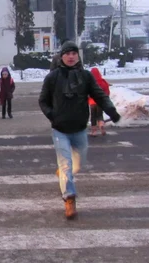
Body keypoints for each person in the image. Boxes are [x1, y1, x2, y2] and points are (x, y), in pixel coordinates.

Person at [38, 41, 121, 220]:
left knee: (77, 163)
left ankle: (63, 174)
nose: (70, 56)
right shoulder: (52, 77)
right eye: (67, 53)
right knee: (66, 165)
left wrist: (111, 111)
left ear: (78, 56)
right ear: (62, 57)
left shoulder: (86, 76)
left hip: (79, 129)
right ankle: (69, 199)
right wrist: (53, 116)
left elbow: (99, 94)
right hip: (60, 129)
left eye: (74, 53)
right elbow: (43, 100)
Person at [89, 67, 111, 136]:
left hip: (92, 102)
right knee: (100, 115)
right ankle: (101, 126)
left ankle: (94, 131)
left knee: (93, 116)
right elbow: (107, 91)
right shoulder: (103, 82)